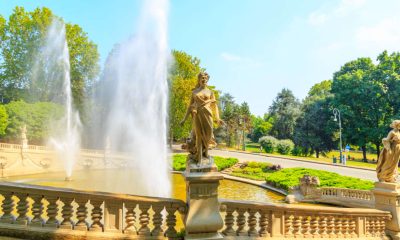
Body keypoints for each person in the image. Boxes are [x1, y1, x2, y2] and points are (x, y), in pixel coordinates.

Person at [180, 72, 223, 164]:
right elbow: (189, 107)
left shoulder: (211, 92)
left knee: (208, 135)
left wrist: (218, 118)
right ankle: (199, 158)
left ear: (207, 80)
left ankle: (206, 151)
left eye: (205, 78)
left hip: (208, 115)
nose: (204, 80)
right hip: (197, 115)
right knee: (199, 136)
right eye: (202, 78)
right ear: (199, 80)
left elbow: (215, 106)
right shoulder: (194, 92)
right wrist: (184, 119)